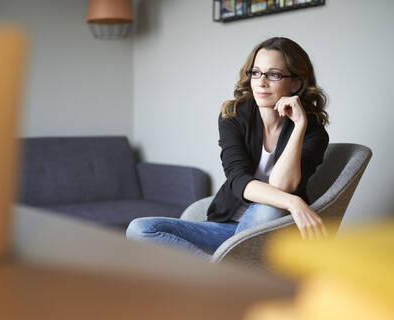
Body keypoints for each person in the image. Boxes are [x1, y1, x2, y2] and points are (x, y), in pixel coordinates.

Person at [126, 37, 329, 260]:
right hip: (226, 227)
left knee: (269, 208)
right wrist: (294, 202)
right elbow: (237, 179)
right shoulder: (233, 116)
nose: (261, 82)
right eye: (256, 72)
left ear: (296, 83)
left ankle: (220, 274)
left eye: (274, 74)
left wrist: (299, 126)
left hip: (272, 230)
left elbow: (282, 185)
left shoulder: (313, 133)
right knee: (139, 228)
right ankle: (226, 271)